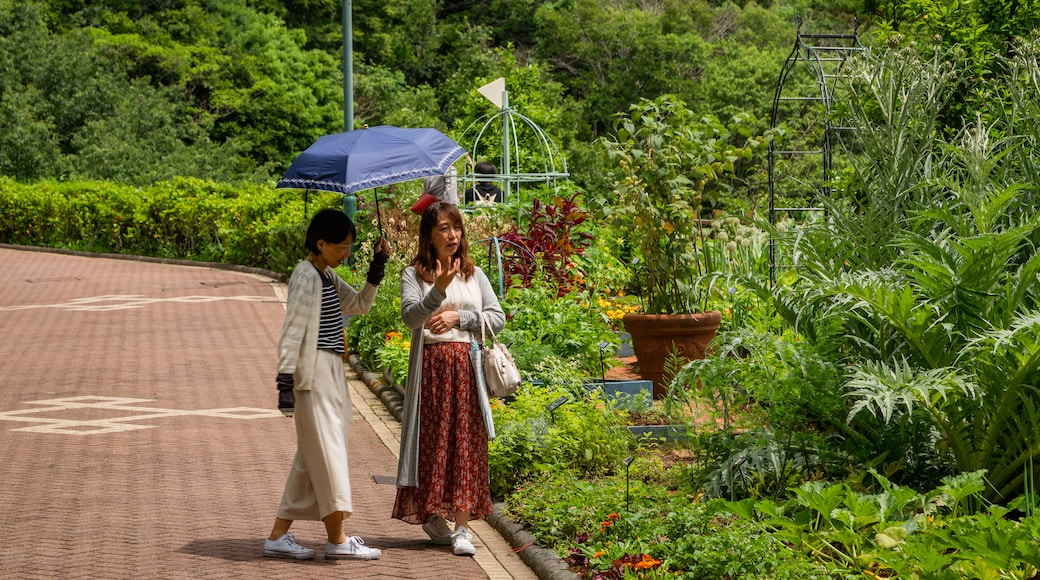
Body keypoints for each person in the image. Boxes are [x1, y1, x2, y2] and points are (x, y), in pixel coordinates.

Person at [263, 208, 392, 562]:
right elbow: (292, 332)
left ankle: (277, 536)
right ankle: (337, 539)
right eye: (342, 246)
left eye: (350, 245)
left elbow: (360, 304)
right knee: (330, 455)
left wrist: (377, 265)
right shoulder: (306, 276)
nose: (346, 252)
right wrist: (285, 385)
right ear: (321, 244)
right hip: (313, 372)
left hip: (331, 371)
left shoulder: (326, 276)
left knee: (312, 458)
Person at [391, 201, 505, 557]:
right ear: (429, 234)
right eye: (443, 228)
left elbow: (497, 317)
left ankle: (462, 529)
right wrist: (438, 289)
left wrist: (460, 318)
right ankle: (433, 514)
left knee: (467, 445)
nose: (452, 234)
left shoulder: (474, 273)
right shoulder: (414, 275)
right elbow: (411, 318)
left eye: (456, 227)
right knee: (434, 443)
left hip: (467, 368)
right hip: (432, 369)